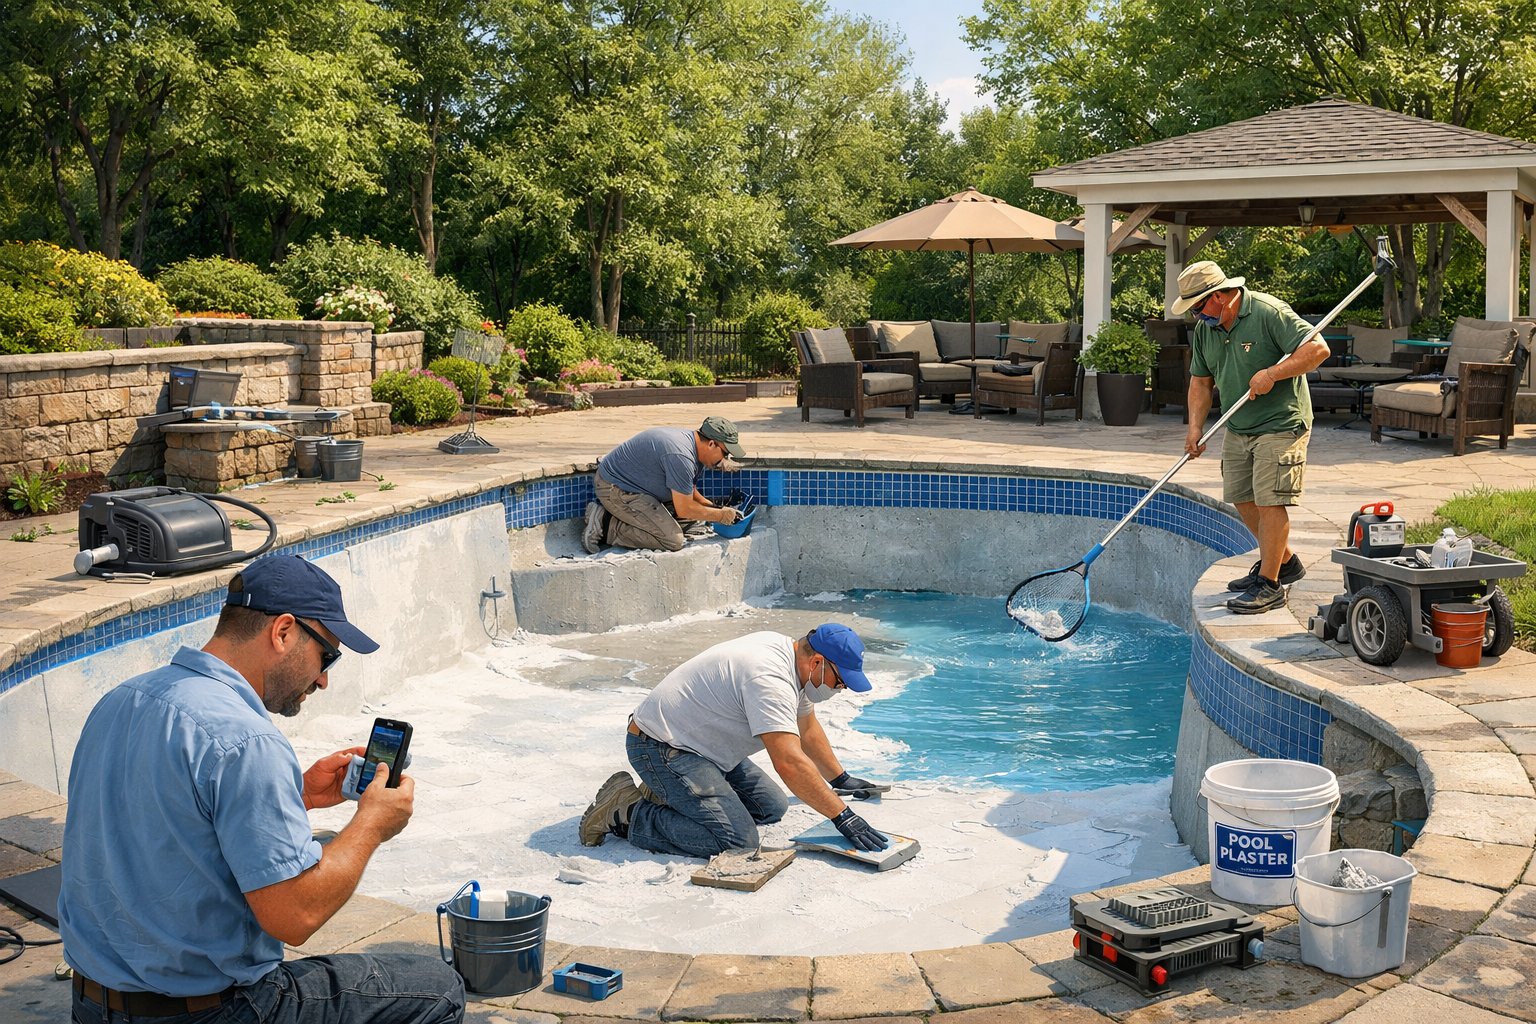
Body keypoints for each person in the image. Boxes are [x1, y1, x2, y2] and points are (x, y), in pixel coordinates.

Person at [59, 555, 465, 1024]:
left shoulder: (123, 697)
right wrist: (371, 824)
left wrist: (300, 796)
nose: (324, 679)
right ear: (284, 632)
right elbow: (296, 917)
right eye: (326, 655)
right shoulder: (247, 741)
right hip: (209, 1012)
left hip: (93, 1002)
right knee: (440, 991)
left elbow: (166, 824)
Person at [579, 623, 891, 858]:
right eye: (841, 681)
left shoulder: (789, 656)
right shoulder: (769, 678)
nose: (842, 689)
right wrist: (843, 817)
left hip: (699, 746)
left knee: (771, 807)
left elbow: (806, 727)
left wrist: (840, 778)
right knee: (737, 842)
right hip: (661, 747)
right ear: (818, 663)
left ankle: (668, 792)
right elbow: (789, 762)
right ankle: (626, 811)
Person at [1174, 260, 1332, 614]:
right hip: (1239, 425)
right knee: (1242, 498)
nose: (1197, 316)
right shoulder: (1206, 331)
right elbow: (1200, 382)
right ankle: (1283, 562)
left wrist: (1273, 373)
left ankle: (1271, 583)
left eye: (1198, 308)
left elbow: (1318, 350)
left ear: (1219, 296)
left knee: (1269, 500)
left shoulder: (1267, 312)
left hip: (1281, 421)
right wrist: (1195, 428)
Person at [582, 416, 747, 554]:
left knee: (694, 521)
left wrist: (712, 507)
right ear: (711, 444)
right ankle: (605, 523)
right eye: (725, 453)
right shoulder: (681, 455)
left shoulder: (694, 447)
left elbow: (688, 489)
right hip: (616, 490)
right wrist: (721, 516)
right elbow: (685, 508)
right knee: (672, 540)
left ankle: (619, 519)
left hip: (640, 490)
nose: (725, 459)